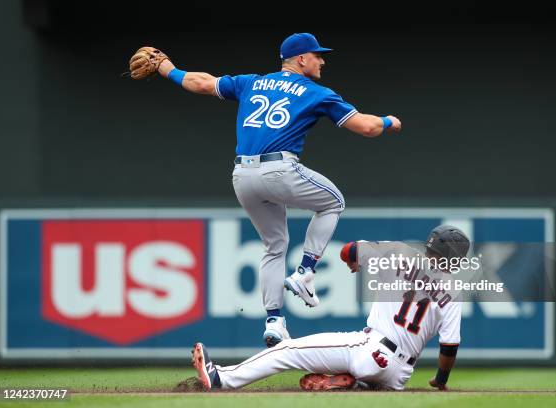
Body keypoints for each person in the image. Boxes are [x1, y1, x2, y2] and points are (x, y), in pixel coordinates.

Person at [152, 33, 402, 347]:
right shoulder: (317, 92)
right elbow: (367, 127)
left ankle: (274, 321)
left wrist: (167, 69)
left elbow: (201, 82)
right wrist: (388, 121)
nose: (322, 60)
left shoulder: (251, 82)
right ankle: (306, 271)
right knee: (333, 201)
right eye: (317, 55)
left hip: (242, 174)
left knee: (274, 245)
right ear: (301, 59)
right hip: (278, 168)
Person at [189, 225, 470, 391]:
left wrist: (354, 261)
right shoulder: (453, 292)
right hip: (399, 373)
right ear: (456, 261)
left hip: (371, 348)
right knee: (373, 381)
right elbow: (449, 346)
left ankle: (220, 378)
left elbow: (348, 250)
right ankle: (351, 382)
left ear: (429, 245)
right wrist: (440, 379)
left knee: (286, 350)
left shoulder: (399, 253)